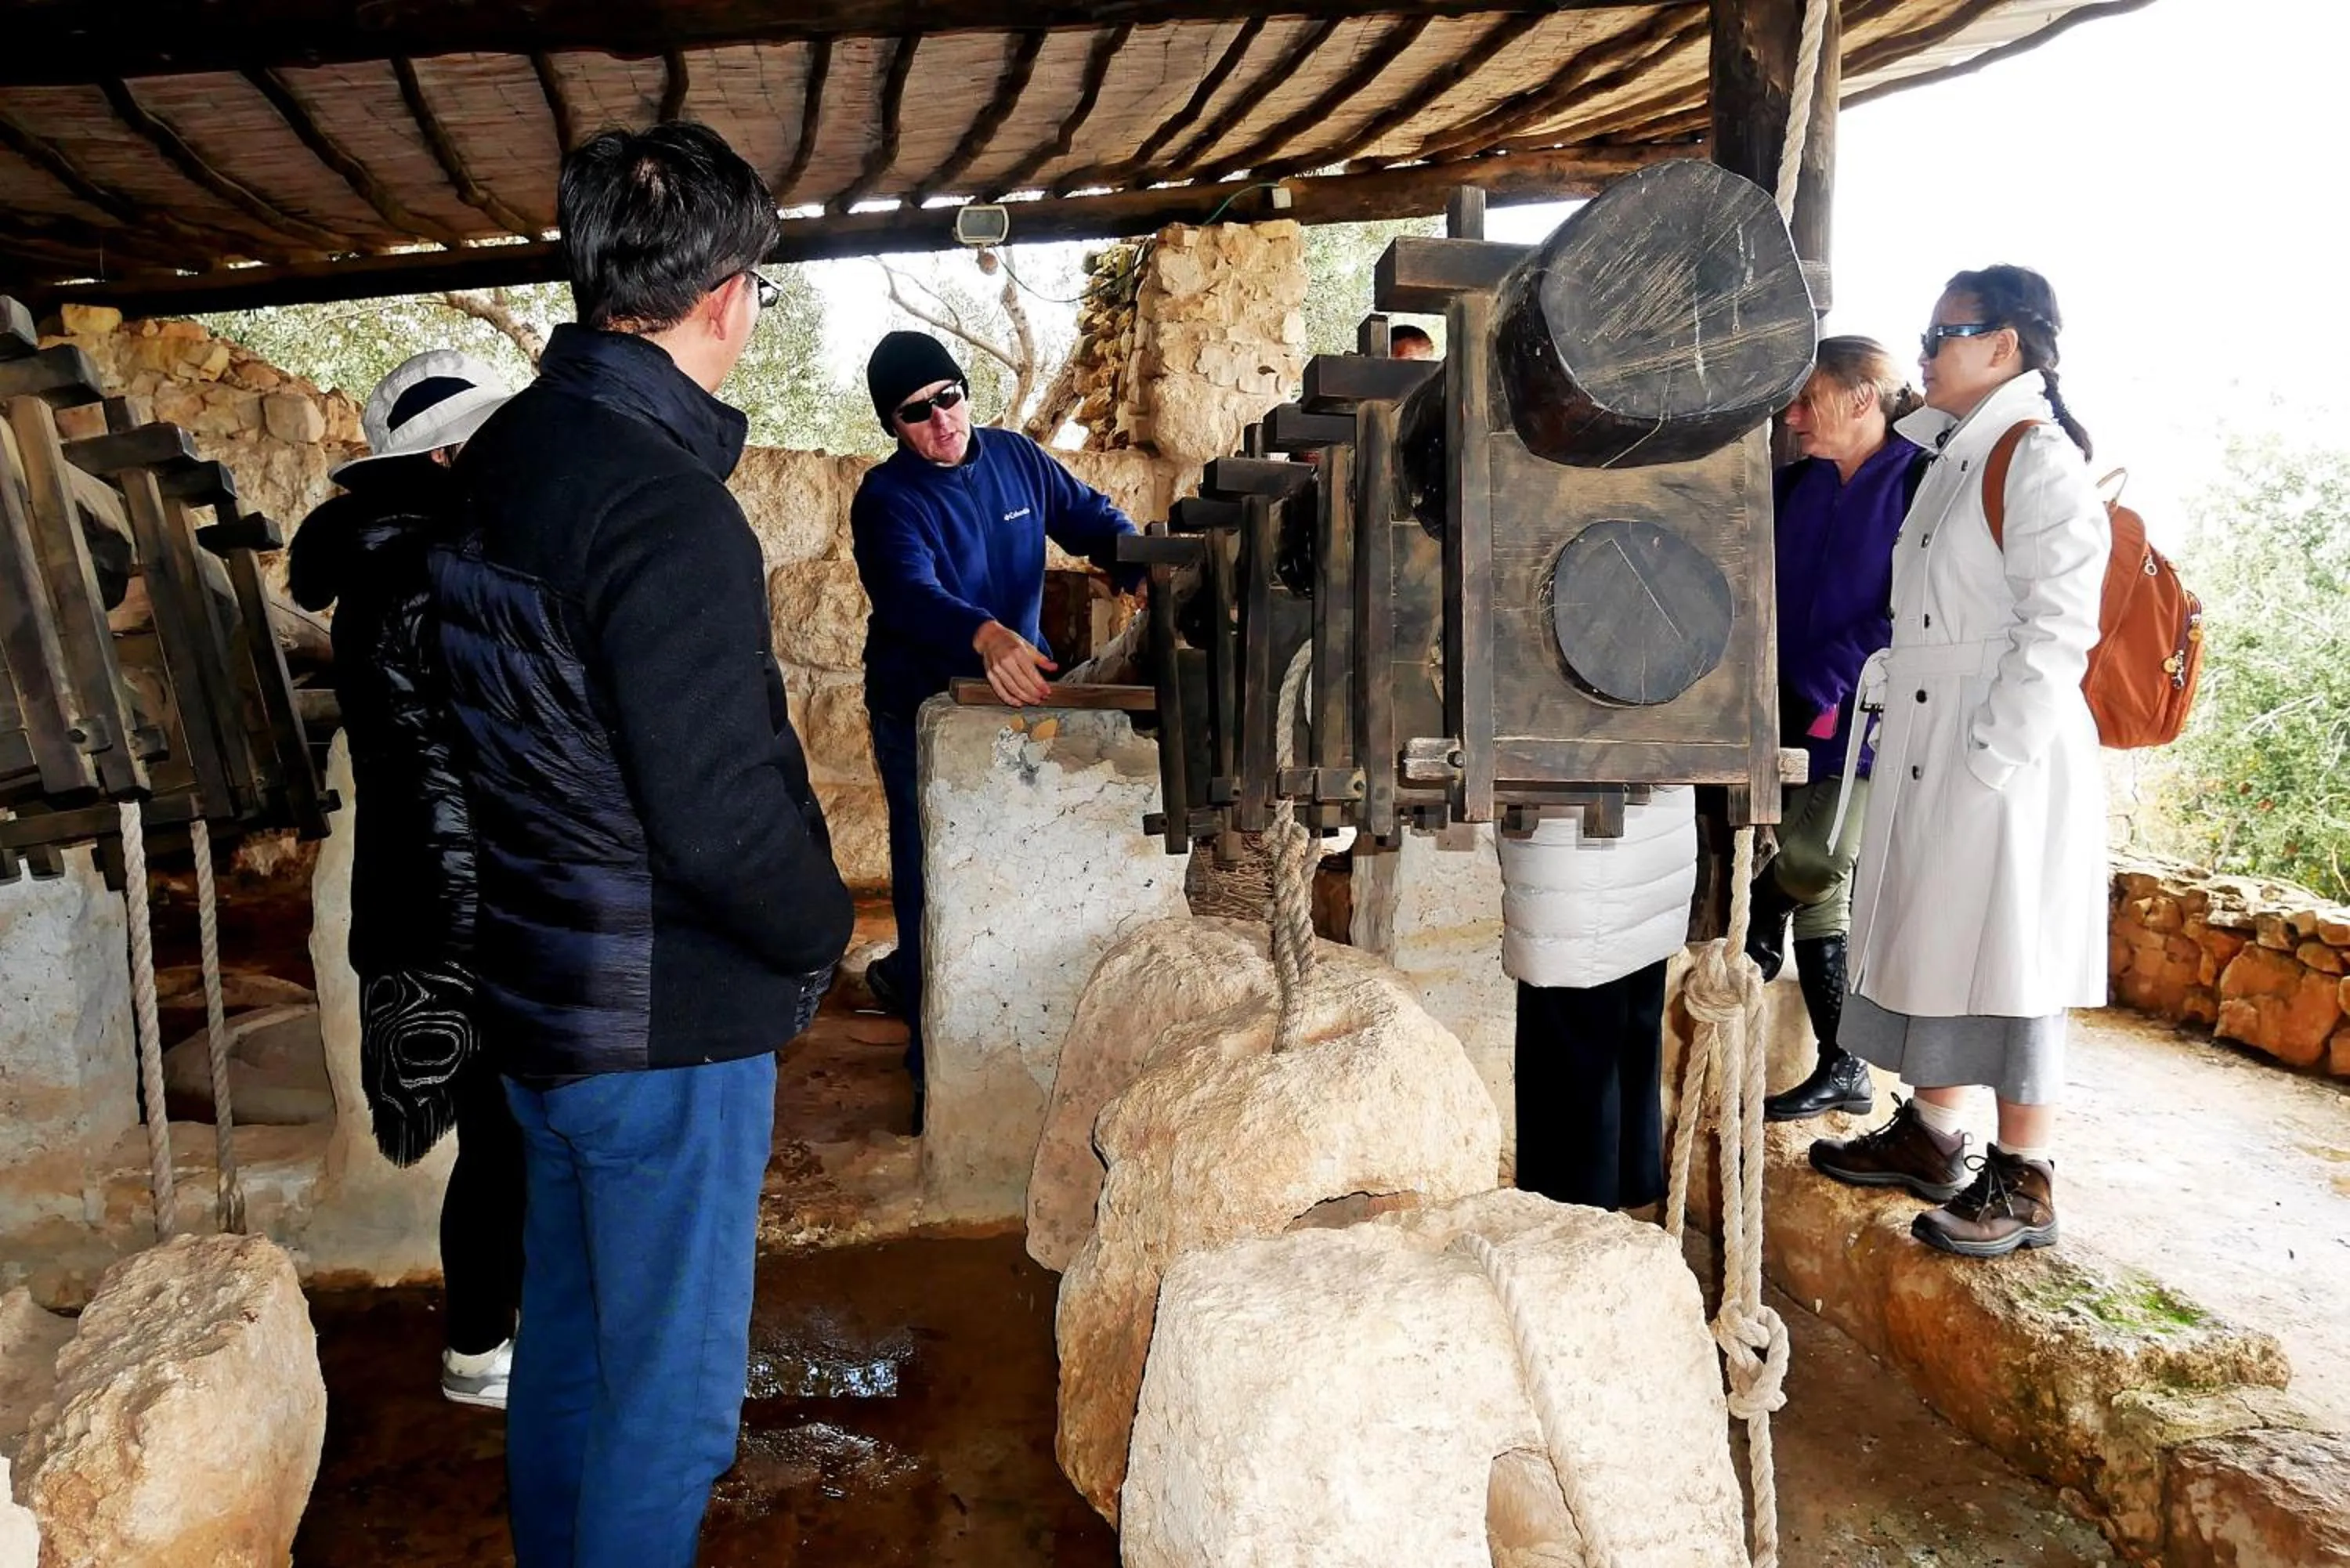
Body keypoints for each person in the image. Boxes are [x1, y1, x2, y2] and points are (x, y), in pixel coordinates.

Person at [431, 122, 854, 1566]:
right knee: (671, 1409)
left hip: (542, 1007)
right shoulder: (666, 513)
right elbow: (724, 816)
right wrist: (824, 932)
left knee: (572, 1352)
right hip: (661, 1023)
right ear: (731, 293)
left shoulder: (504, 459)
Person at [1808, 266, 2109, 1259]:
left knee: (2010, 958)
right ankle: (1933, 1134)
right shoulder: (1954, 454)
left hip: (1996, 752)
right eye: (1930, 332)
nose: (1926, 351)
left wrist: (1994, 760)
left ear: (2006, 346)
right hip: (1939, 735)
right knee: (1933, 938)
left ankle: (2026, 1176)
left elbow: (2060, 629)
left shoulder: (2035, 457)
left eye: (1947, 332)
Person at [287, 351, 523, 1409]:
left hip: (432, 889)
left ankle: (487, 1342)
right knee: (511, 1133)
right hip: (468, 896)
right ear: (446, 454)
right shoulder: (433, 572)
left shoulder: (395, 562)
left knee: (497, 1135)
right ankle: (484, 1348)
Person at [849, 331, 1142, 1125]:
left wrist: (1142, 564)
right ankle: (929, 1067)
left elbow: (1091, 519)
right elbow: (909, 594)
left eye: (949, 396)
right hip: (922, 706)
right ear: (894, 425)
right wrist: (983, 633)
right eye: (917, 413)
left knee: (1022, 852)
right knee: (928, 867)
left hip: (1018, 698)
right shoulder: (885, 498)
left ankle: (969, 999)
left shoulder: (1017, 458)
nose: (943, 420)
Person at [1751, 338, 1931, 1123]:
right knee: (1828, 893)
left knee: (1813, 860)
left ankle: (1760, 913)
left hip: (1877, 721)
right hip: (1784, 716)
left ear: (1865, 399)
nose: (1793, 419)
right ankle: (1843, 1066)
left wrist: (1814, 680)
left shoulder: (1923, 487)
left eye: (1808, 400)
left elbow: (1912, 614)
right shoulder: (1793, 486)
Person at [1499, 789, 1698, 1211]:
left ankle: (1574, 1219)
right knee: (1631, 1033)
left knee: (1572, 1055)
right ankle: (1630, 1188)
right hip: (1653, 852)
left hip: (1578, 857)